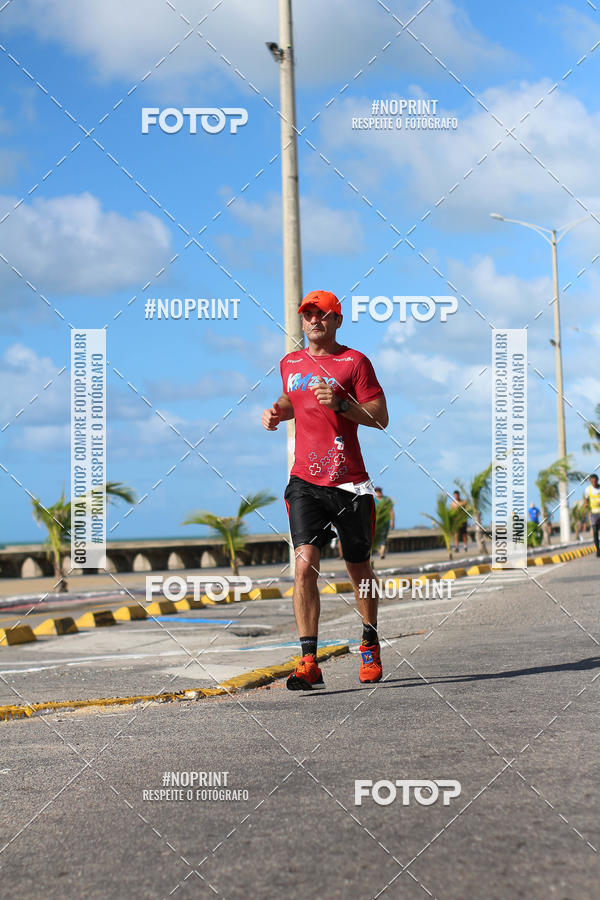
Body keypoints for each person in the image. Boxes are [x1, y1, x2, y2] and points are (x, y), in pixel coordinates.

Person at [262, 289, 389, 690]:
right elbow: (291, 397)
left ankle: (369, 642)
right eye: (308, 314)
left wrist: (341, 405)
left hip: (350, 483)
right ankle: (308, 661)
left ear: (337, 320)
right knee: (304, 566)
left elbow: (380, 417)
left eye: (322, 314)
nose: (314, 320)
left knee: (358, 568)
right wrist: (278, 412)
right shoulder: (290, 363)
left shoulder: (355, 362)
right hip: (304, 481)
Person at [374, 487, 395, 559]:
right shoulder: (373, 500)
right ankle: (381, 552)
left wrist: (392, 521)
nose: (378, 493)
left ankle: (382, 553)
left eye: (379, 491)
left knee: (383, 537)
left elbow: (391, 511)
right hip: (376, 522)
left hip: (385, 522)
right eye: (377, 492)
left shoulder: (387, 500)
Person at [583, 473, 600, 557]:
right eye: (592, 481)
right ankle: (598, 550)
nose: (593, 483)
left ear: (597, 480)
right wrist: (586, 504)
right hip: (594, 513)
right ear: (590, 481)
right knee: (595, 532)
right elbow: (586, 499)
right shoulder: (588, 490)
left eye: (595, 481)